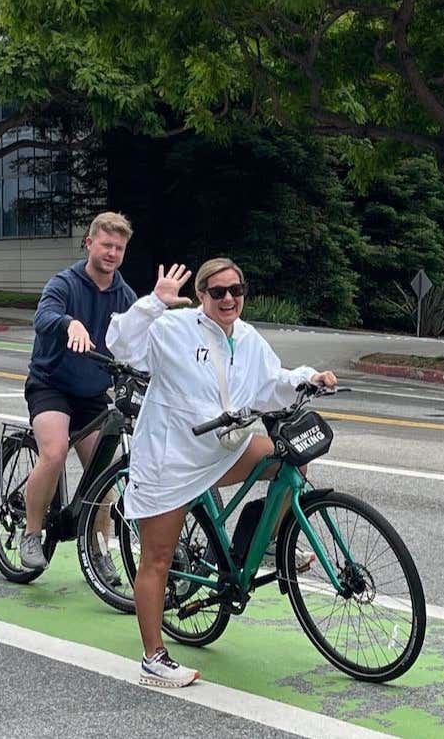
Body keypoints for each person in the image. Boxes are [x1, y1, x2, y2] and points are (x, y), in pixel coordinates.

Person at [107, 258, 336, 688]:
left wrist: (310, 378)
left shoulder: (246, 337)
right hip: (172, 460)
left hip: (224, 449)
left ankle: (266, 543)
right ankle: (153, 657)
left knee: (292, 458)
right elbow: (122, 344)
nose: (229, 298)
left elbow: (273, 382)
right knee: (157, 558)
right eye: (218, 292)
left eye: (236, 290)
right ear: (201, 296)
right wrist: (154, 303)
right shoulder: (173, 328)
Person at [16, 212, 140, 570]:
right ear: (89, 243)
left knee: (103, 474)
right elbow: (43, 317)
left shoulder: (125, 295)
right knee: (54, 452)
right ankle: (32, 533)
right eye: (106, 245)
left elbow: (137, 342)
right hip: (51, 385)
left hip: (92, 394)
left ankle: (99, 551)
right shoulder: (64, 283)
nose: (112, 253)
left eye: (119, 248)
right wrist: (70, 323)